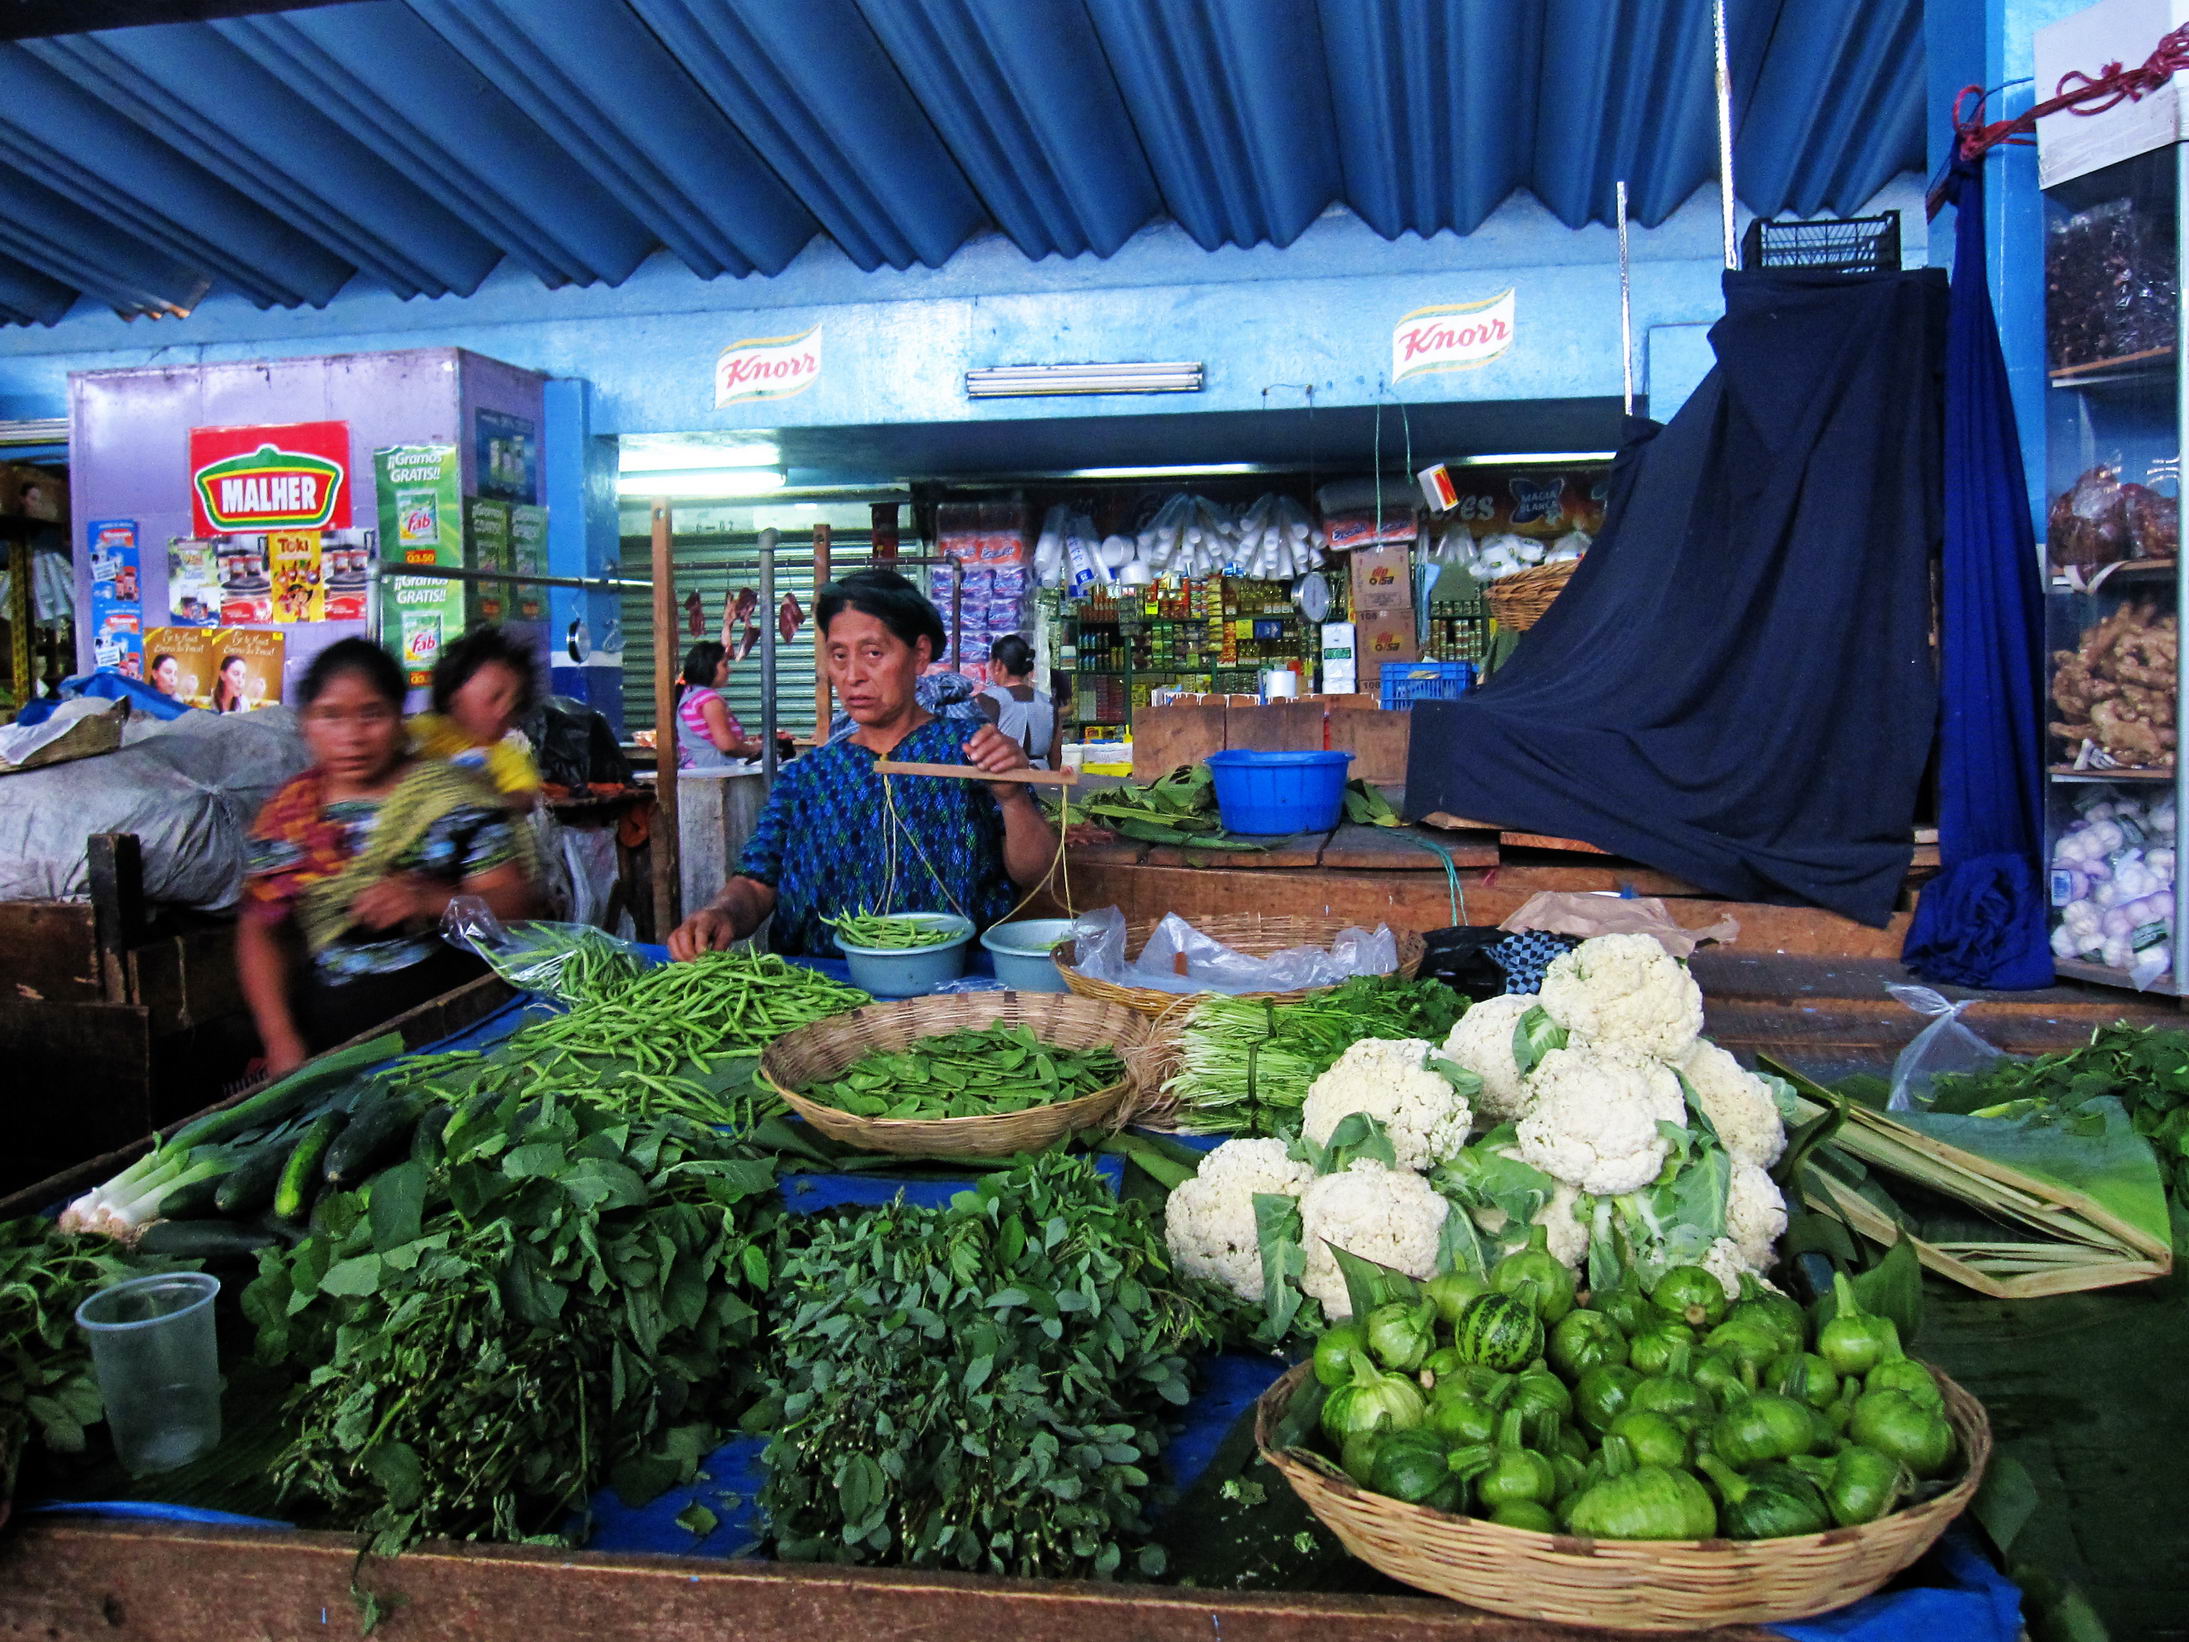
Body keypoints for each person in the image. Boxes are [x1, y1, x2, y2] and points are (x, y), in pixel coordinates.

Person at [668, 569, 1057, 960]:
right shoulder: (809, 776)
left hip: (952, 984)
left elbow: (1038, 873)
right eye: (839, 656)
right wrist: (722, 912)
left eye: (873, 653)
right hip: (819, 983)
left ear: (920, 654)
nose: (853, 676)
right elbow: (756, 882)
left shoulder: (973, 752)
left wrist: (1012, 798)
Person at [237, 638, 534, 1076]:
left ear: (400, 718)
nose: (352, 737)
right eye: (331, 716)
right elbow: (260, 930)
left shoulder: (451, 801)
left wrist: (432, 901)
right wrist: (280, 1037)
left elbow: (519, 909)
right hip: (334, 1038)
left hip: (459, 1030)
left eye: (372, 714)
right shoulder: (289, 818)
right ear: (306, 724)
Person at [408, 624, 543, 804]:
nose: (504, 711)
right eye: (494, 697)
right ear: (453, 695)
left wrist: (485, 800)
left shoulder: (505, 755)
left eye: (515, 705)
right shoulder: (421, 733)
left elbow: (525, 796)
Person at [674, 640, 765, 767]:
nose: (729, 670)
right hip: (712, 771)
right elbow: (727, 746)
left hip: (696, 769)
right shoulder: (709, 699)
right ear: (709, 668)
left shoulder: (689, 694)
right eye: (724, 665)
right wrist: (755, 748)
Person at [975, 634, 1055, 767]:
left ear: (998, 664)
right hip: (1042, 775)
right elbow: (1055, 755)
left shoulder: (987, 699)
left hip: (1004, 775)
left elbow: (977, 749)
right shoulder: (1049, 702)